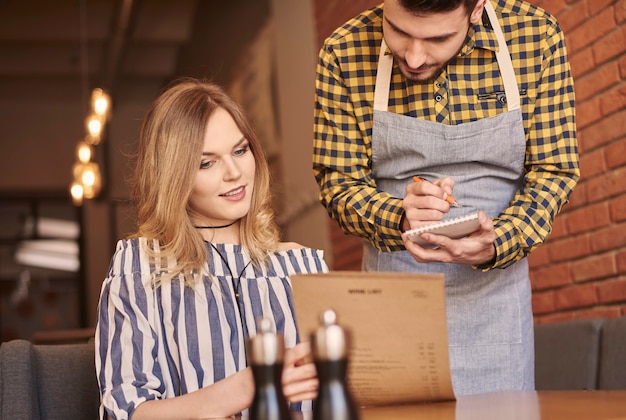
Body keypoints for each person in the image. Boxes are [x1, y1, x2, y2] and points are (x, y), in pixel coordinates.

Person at [313, 0, 579, 395]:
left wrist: (497, 242)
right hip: (393, 301)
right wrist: (399, 215)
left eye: (438, 38)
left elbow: (555, 170)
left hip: (495, 306)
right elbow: (337, 181)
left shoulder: (535, 35)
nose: (415, 57)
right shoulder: (343, 50)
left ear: (476, 9)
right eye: (399, 32)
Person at [96, 78, 329, 420]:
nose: (235, 173)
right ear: (173, 177)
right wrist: (248, 387)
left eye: (240, 150)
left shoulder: (301, 265)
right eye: (207, 163)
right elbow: (125, 411)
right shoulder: (139, 267)